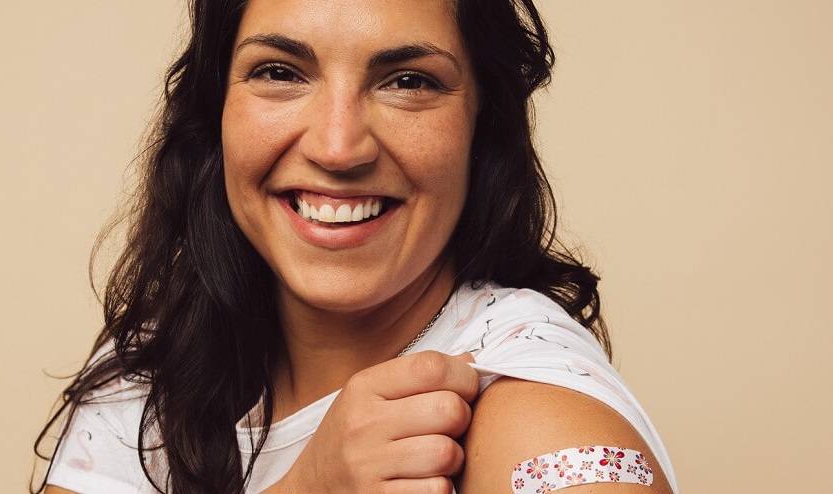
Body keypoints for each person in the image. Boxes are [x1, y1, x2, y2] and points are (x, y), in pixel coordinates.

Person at [35, 0, 678, 492]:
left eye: (408, 82)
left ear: (484, 125)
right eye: (281, 72)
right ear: (216, 114)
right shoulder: (148, 375)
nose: (338, 147)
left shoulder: (536, 412)